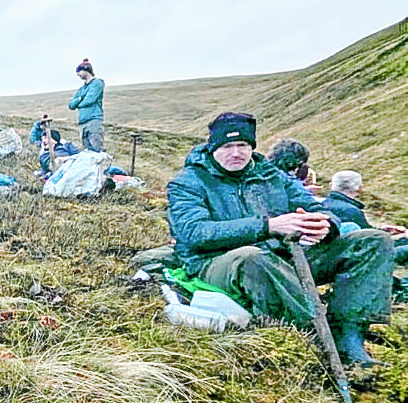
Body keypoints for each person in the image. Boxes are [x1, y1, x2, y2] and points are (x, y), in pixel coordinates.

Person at [166, 112, 393, 366]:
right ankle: (311, 337)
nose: (236, 153)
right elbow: (195, 233)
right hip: (214, 263)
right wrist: (268, 226)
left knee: (373, 241)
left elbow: (318, 207)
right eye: (227, 146)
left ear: (252, 147)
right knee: (251, 257)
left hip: (281, 256)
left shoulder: (272, 176)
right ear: (213, 148)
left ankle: (348, 336)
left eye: (243, 145)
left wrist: (325, 225)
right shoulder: (188, 183)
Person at [324, 171, 408, 264]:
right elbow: (371, 239)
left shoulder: (321, 205)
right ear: (360, 188)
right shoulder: (351, 211)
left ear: (330, 185)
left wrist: (382, 230)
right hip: (353, 259)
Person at [68, 59, 105, 151]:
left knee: (97, 150)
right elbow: (71, 105)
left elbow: (90, 100)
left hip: (94, 122)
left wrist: (79, 104)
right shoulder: (81, 90)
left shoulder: (97, 83)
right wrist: (80, 98)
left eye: (79, 71)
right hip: (82, 124)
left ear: (86, 70)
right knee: (87, 151)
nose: (78, 74)